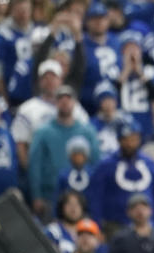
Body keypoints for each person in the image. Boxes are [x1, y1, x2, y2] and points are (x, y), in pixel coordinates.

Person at [28, 85, 100, 219]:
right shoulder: (43, 132)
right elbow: (35, 165)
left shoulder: (87, 131)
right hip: (51, 197)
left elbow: (96, 162)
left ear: (75, 103)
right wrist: (36, 195)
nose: (65, 102)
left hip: (84, 198)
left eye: (69, 98)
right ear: (55, 102)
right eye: (61, 98)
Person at [88, 118, 154, 234]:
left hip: (147, 226)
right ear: (119, 140)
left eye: (133, 139)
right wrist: (97, 227)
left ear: (139, 139)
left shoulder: (150, 164)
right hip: (114, 226)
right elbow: (95, 198)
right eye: (126, 139)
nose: (130, 143)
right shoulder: (106, 165)